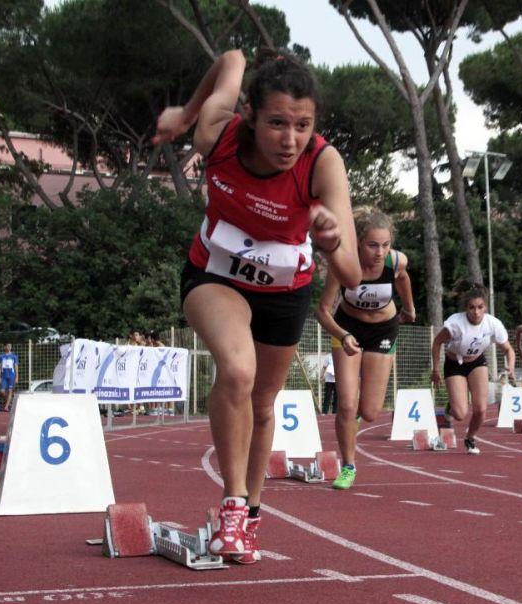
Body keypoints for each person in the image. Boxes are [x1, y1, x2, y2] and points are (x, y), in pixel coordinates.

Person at [154, 48, 360, 563]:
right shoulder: (216, 136)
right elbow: (231, 57)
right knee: (237, 370)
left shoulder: (322, 163)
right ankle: (231, 503)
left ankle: (249, 516)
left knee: (264, 403)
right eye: (276, 123)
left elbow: (354, 274)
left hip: (286, 292)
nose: (290, 140)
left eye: (303, 125)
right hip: (215, 274)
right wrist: (185, 113)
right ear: (249, 114)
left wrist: (332, 240)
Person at [317, 207, 414, 488]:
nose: (380, 252)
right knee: (346, 404)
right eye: (373, 245)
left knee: (370, 412)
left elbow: (404, 279)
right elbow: (322, 311)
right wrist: (343, 334)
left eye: (385, 245)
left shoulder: (395, 262)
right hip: (349, 329)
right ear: (359, 243)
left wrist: (409, 308)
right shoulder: (344, 265)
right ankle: (348, 466)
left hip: (384, 330)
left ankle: (356, 417)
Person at [432, 284, 515, 454]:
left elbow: (508, 349)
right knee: (460, 413)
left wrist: (511, 367)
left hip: (477, 362)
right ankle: (451, 407)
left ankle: (470, 438)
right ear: (466, 308)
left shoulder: (493, 324)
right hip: (455, 363)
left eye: (480, 307)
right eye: (472, 308)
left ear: (485, 307)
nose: (476, 312)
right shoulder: (455, 324)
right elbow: (437, 342)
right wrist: (435, 370)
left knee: (481, 409)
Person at [0, 343, 19, 412]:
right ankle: (9, 401)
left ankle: (6, 407)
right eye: (8, 346)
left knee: (10, 391)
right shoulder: (1, 356)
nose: (9, 347)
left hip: (11, 376)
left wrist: (17, 377)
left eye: (10, 346)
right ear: (5, 347)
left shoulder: (14, 356)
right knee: (2, 391)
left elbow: (16, 367)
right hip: (4, 376)